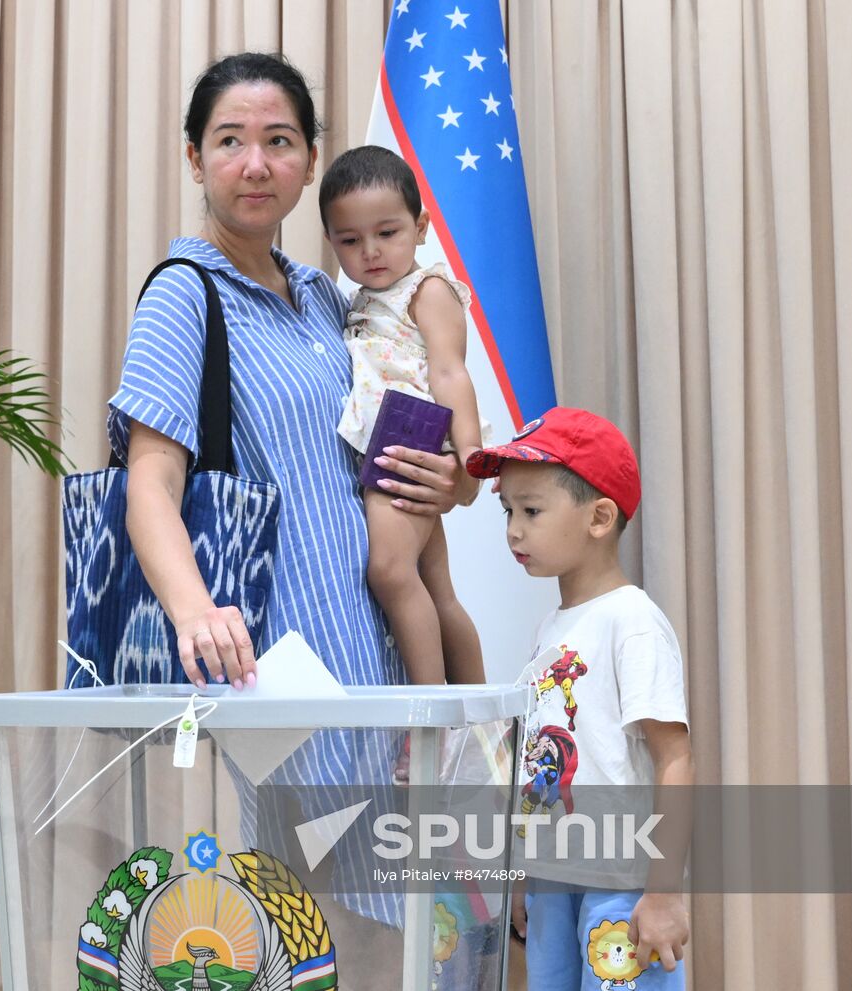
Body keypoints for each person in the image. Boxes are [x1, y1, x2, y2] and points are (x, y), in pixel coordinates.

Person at [107, 52, 470, 941]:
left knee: (416, 930)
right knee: (323, 927)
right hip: (284, 672)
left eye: (279, 141)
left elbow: (397, 436)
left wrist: (449, 481)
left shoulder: (327, 296)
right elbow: (148, 484)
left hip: (381, 653)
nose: (256, 162)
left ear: (311, 160)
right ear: (195, 158)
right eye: (230, 141)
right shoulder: (183, 296)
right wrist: (195, 613)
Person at [465, 407, 693, 990]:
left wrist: (664, 894)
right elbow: (538, 764)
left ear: (599, 518)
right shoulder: (552, 630)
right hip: (550, 882)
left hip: (619, 879)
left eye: (532, 510)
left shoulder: (632, 621)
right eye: (508, 511)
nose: (514, 529)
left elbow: (675, 759)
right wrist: (524, 875)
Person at [319, 144, 485, 689]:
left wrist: (469, 457)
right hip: (383, 441)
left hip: (410, 438)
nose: (370, 251)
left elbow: (450, 373)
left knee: (390, 572)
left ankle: (429, 711)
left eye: (387, 233)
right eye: (350, 240)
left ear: (420, 227)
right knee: (436, 589)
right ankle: (475, 716)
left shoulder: (428, 289)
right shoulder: (361, 298)